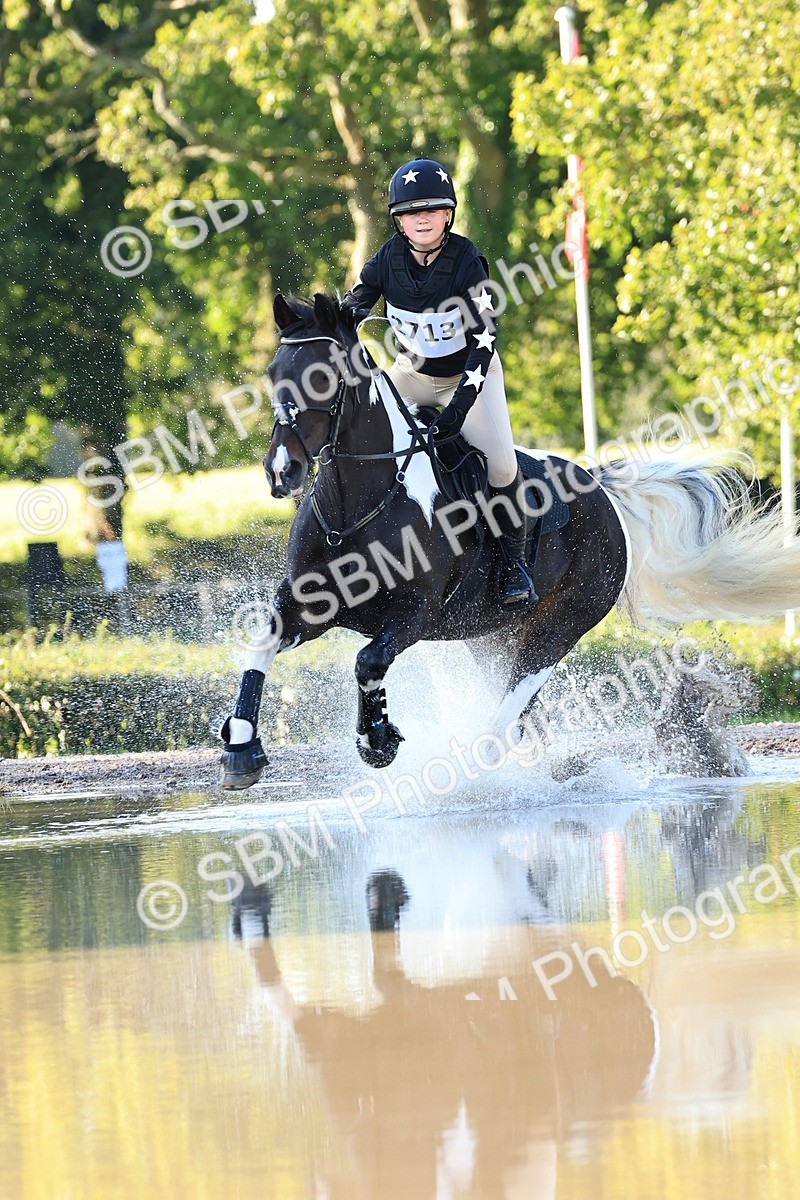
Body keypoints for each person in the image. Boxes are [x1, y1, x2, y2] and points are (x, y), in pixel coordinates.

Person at [342, 157, 537, 606]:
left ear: (449, 214)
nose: (423, 217)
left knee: (502, 467)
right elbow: (350, 313)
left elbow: (484, 340)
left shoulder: (467, 260)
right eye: (413, 211)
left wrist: (459, 409)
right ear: (399, 220)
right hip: (411, 373)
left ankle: (514, 566)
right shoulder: (385, 261)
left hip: (470, 375)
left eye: (433, 209)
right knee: (360, 432)